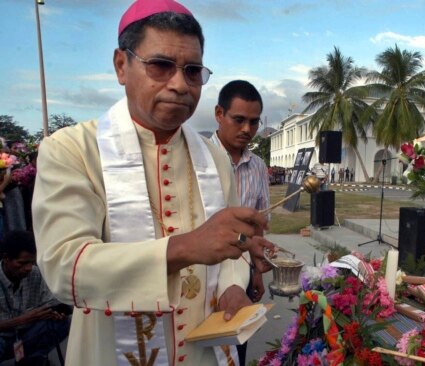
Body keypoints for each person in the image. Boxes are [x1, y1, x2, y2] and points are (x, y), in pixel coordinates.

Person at [32, 1, 271, 365]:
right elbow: (65, 268)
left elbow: (230, 250)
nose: (179, 84)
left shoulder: (213, 158)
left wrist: (232, 286)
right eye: (160, 66)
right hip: (110, 353)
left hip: (203, 353)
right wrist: (187, 247)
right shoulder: (73, 150)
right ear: (121, 66)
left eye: (192, 71)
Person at [211, 80, 274, 365]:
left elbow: (259, 222)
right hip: (203, 274)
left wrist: (257, 272)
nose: (247, 129)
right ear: (218, 114)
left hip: (244, 272)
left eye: (254, 122)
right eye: (238, 120)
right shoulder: (198, 158)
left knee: (237, 346)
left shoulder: (258, 165)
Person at [0, 231, 70, 365]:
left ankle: (32, 359)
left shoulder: (35, 273)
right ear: (6, 258)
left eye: (31, 262)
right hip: (3, 339)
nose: (28, 268)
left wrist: (55, 313)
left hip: (26, 335)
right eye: (22, 263)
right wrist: (22, 320)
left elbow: (52, 302)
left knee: (61, 324)